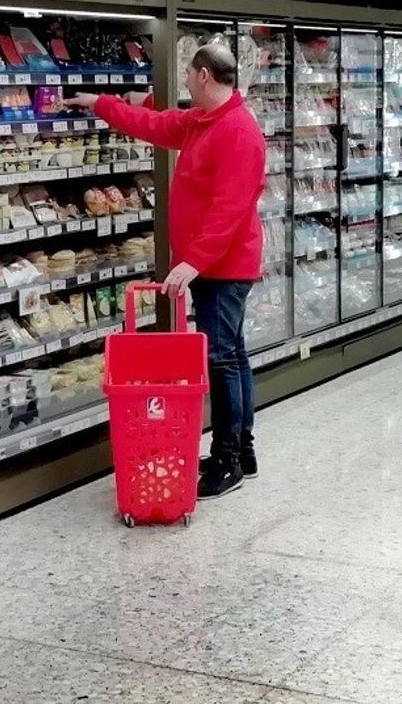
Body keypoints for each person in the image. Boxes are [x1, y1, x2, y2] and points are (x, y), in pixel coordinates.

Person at [65, 43, 265, 499]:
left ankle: (229, 459)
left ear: (203, 76)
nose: (185, 82)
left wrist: (193, 262)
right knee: (231, 354)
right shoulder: (202, 122)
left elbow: (229, 210)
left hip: (224, 266)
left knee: (220, 358)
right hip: (211, 264)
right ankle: (243, 451)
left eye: (188, 75)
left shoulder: (238, 131)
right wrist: (102, 105)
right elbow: (154, 124)